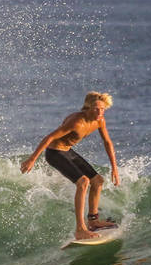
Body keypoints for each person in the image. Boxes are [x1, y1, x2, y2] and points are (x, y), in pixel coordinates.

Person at [20, 91, 121, 240]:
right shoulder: (76, 122)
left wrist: (115, 168)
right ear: (87, 108)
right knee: (83, 182)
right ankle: (80, 229)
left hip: (67, 151)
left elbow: (107, 142)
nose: (100, 112)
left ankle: (93, 221)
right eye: (96, 108)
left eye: (103, 109)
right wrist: (32, 159)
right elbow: (49, 138)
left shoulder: (100, 120)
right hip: (55, 153)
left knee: (98, 181)